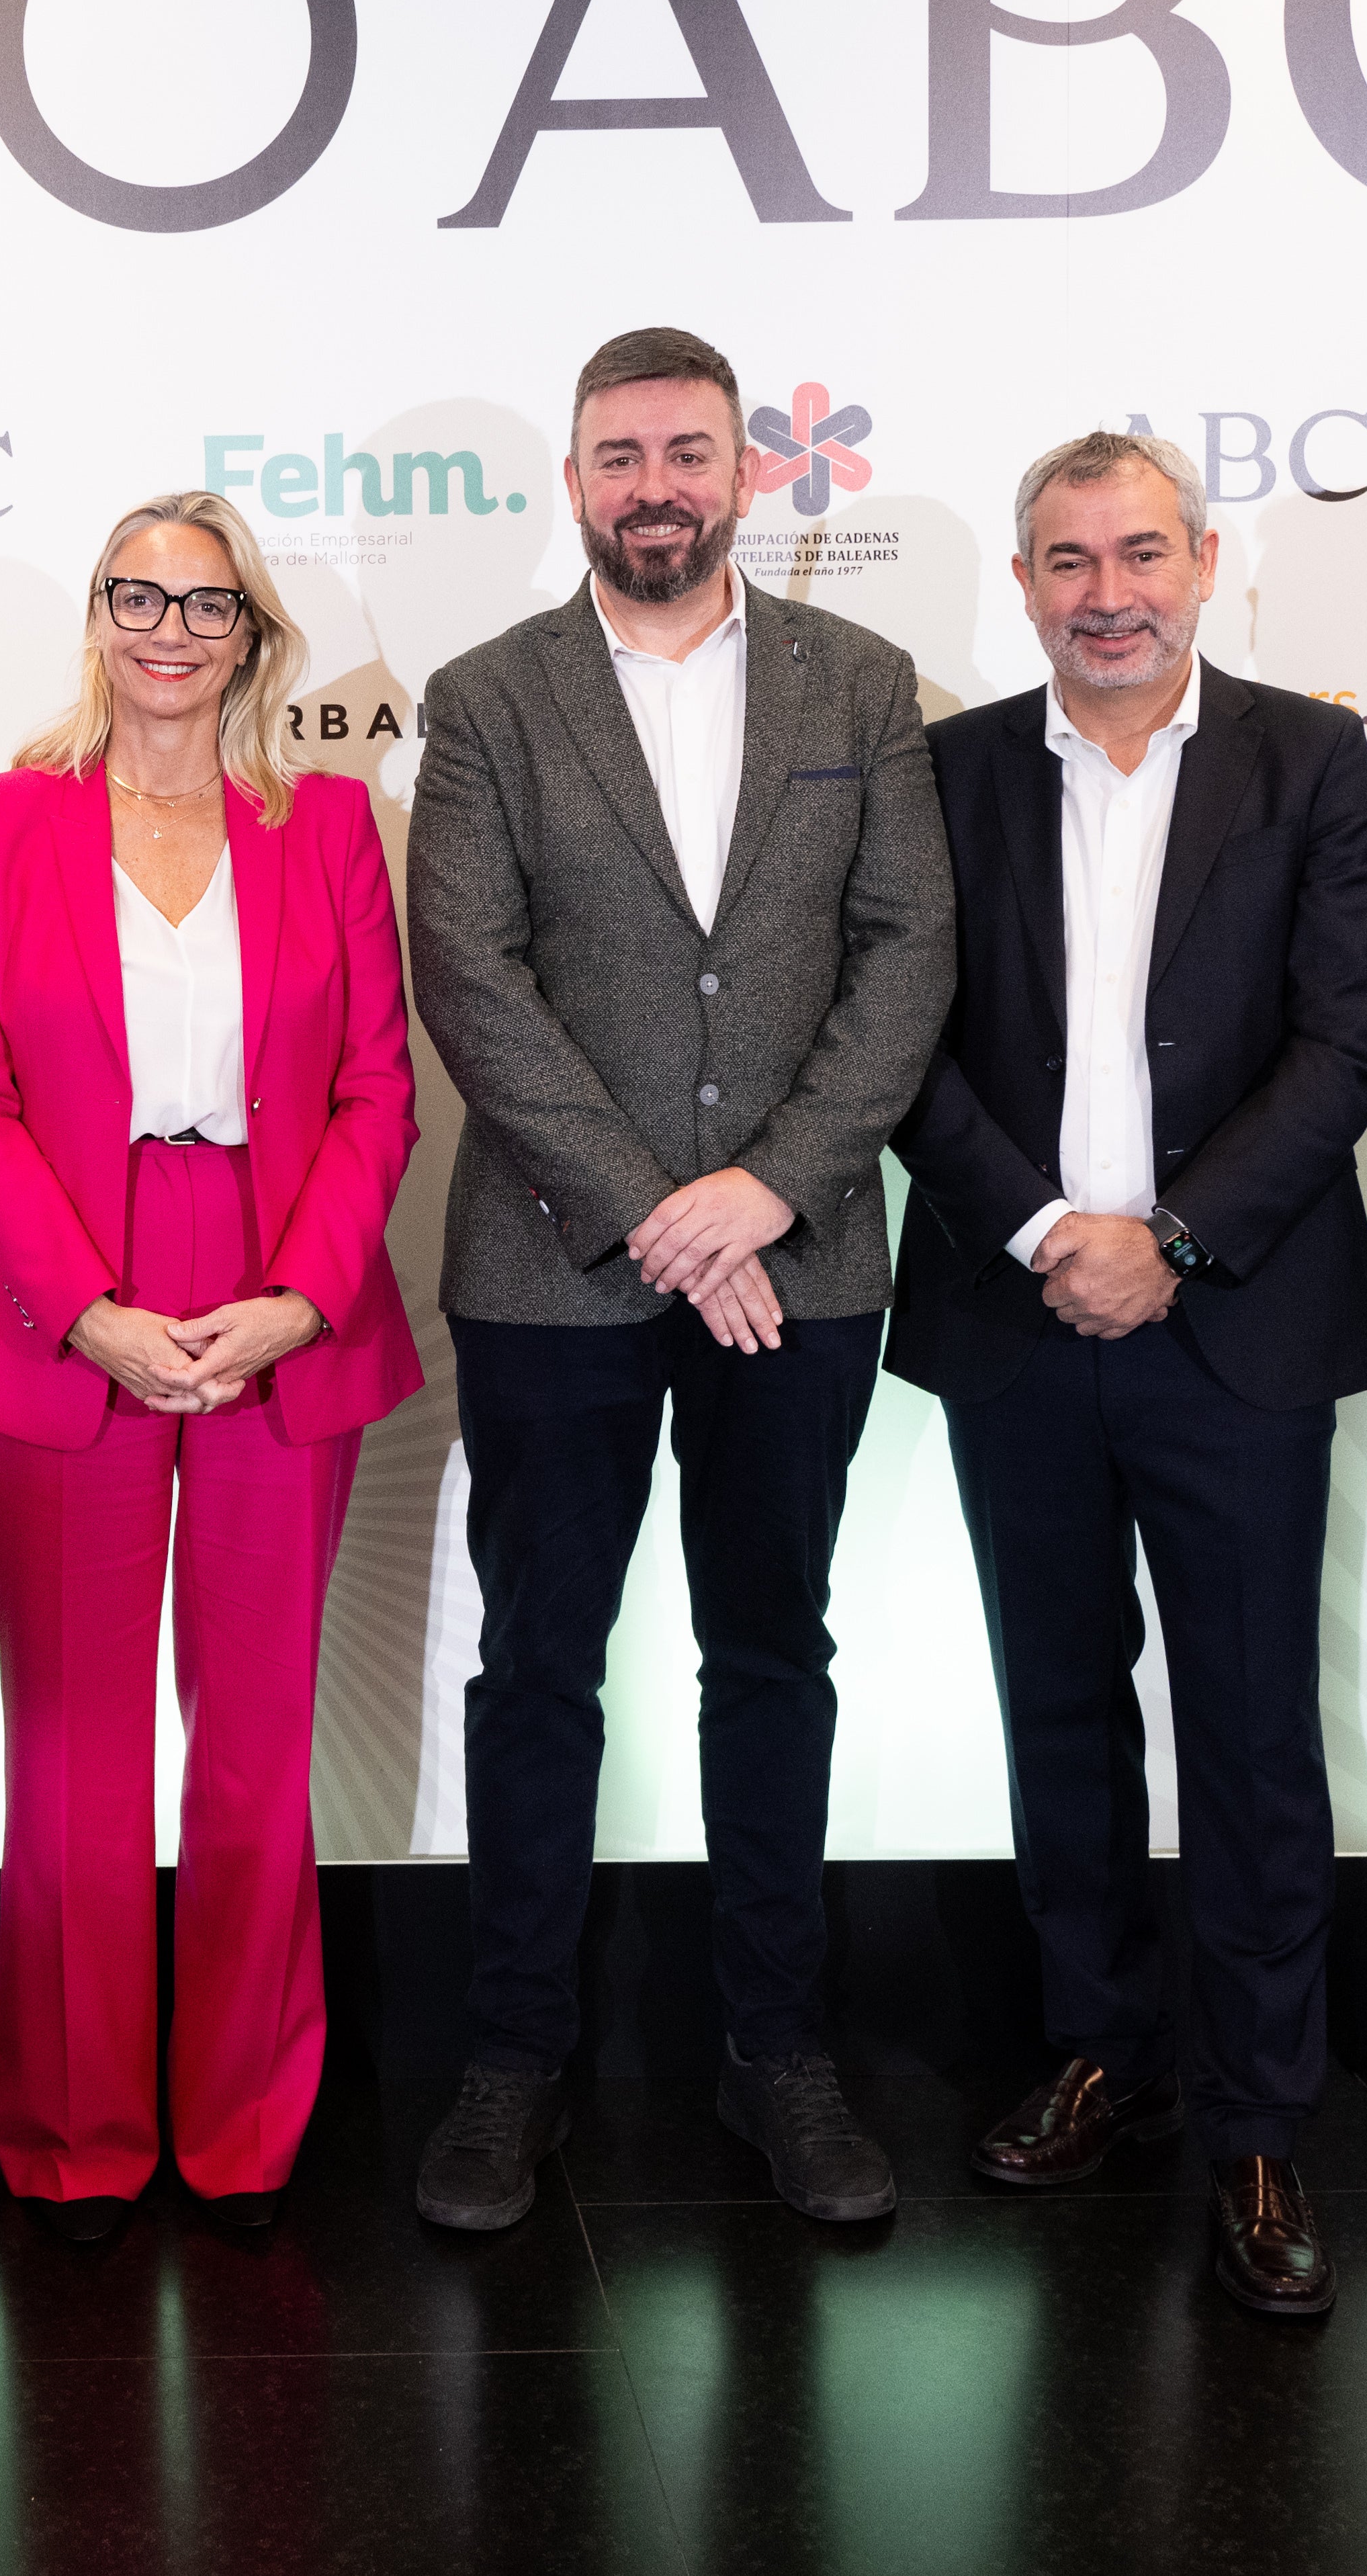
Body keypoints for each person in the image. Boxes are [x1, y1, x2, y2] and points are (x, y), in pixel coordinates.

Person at [404, 327, 955, 2234]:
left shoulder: (859, 680)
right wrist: (661, 1209)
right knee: (534, 1667)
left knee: (769, 1658)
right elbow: (470, 976)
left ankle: (776, 2054)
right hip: (551, 1267)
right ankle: (507, 2061)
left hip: (797, 1269)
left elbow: (903, 959)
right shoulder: (485, 696)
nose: (654, 483)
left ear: (747, 475)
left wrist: (765, 1193)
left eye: (687, 451)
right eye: (618, 453)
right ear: (571, 483)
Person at [885, 433, 1367, 2316]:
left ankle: (1261, 2116)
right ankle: (1102, 2046)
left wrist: (1166, 1239)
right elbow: (902, 1042)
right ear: (1020, 586)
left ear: (1205, 564)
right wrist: (1043, 1233)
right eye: (1063, 560)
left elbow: (1350, 1041)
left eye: (1137, 554)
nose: (1104, 591)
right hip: (1013, 1315)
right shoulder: (941, 774)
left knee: (1253, 1732)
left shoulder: (1309, 758)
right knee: (1060, 1709)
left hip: (1235, 1323)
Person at [0, 490, 421, 2241]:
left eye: (203, 605)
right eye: (136, 595)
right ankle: (73, 2132)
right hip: (69, 1295)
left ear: (249, 638)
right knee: (71, 1754)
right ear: (97, 614)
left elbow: (377, 1090)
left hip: (280, 1291)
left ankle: (244, 2128)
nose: (167, 629)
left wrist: (299, 1292)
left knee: (256, 1742)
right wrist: (86, 1308)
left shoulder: (329, 824)